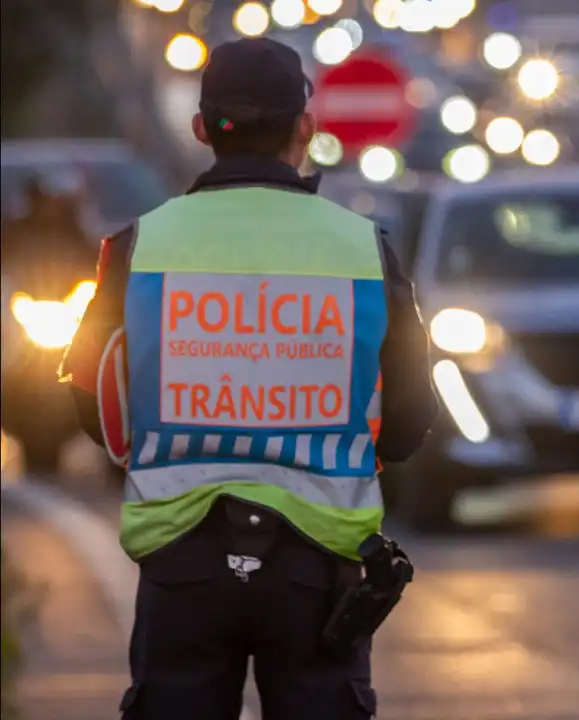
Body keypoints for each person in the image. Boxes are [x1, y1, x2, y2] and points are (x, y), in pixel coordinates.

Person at [59, 38, 437, 719]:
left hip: (181, 565)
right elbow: (410, 419)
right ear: (306, 128)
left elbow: (95, 406)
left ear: (201, 129)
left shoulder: (138, 245)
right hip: (319, 568)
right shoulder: (363, 249)